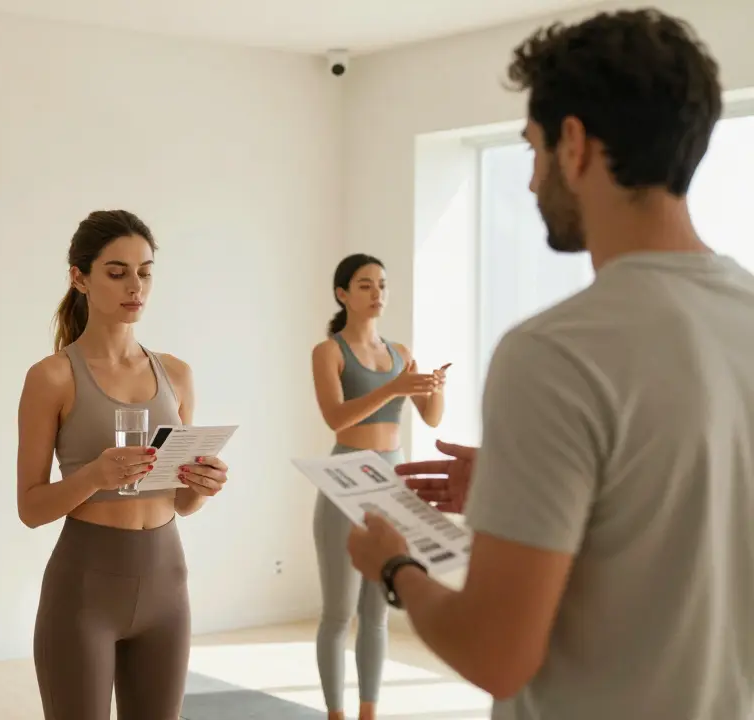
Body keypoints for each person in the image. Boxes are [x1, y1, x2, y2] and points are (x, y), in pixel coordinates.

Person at [347, 9, 754, 720]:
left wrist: (393, 565)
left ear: (574, 143)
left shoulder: (554, 354)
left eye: (533, 149)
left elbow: (495, 653)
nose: (532, 182)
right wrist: (526, 489)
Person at [16, 210, 230, 720]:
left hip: (166, 586)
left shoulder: (176, 373)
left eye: (145, 272)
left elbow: (183, 503)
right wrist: (95, 475)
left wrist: (203, 484)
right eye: (117, 272)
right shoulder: (52, 377)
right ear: (80, 277)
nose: (135, 286)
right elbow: (30, 508)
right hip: (84, 591)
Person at [309, 253, 447, 720]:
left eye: (382, 285)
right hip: (345, 478)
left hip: (393, 481)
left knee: (377, 611)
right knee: (338, 612)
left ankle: (369, 712)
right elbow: (336, 419)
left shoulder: (401, 354)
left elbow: (431, 418)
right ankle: (336, 714)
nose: (377, 293)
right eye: (365, 285)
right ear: (342, 294)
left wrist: (435, 387)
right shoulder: (328, 352)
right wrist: (393, 388)